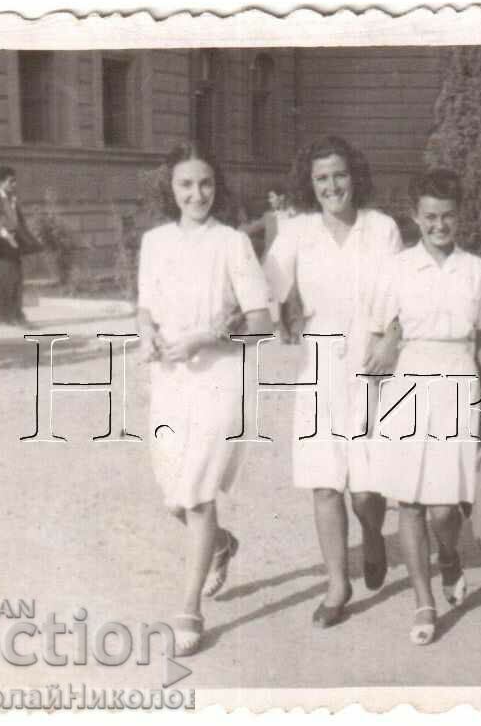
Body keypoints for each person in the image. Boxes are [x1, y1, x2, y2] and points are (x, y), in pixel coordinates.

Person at [136, 141, 274, 656]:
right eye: (186, 185)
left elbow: (261, 324)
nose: (198, 194)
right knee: (175, 495)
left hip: (218, 377)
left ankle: (189, 608)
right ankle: (219, 544)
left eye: (206, 184)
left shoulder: (233, 243)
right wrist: (147, 333)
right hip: (170, 380)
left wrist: (205, 338)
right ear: (170, 190)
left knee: (197, 492)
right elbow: (145, 308)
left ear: (218, 187)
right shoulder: (155, 243)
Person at [263, 136, 402, 628]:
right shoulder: (297, 232)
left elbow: (402, 295)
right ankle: (337, 584)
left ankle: (373, 533)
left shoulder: (381, 228)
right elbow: (265, 286)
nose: (331, 186)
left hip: (373, 358)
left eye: (339, 175)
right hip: (320, 362)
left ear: (354, 176)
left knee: (366, 489)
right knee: (325, 483)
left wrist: (391, 341)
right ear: (310, 183)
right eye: (321, 178)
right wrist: (277, 315)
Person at [368, 169, 481, 645]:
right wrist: (383, 350)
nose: (439, 225)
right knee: (408, 500)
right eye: (430, 217)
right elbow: (381, 331)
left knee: (445, 508)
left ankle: (449, 555)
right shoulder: (396, 269)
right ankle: (423, 602)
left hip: (458, 379)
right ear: (415, 217)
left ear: (460, 215)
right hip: (409, 380)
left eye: (447, 216)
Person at [0, 165, 41, 326]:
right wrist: (2, 238)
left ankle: (1, 315)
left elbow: (19, 223)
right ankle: (12, 316)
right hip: (0, 245)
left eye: (15, 181)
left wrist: (30, 241)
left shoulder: (12, 199)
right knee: (10, 278)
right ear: (1, 182)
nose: (14, 184)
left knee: (11, 279)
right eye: (11, 181)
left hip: (13, 243)